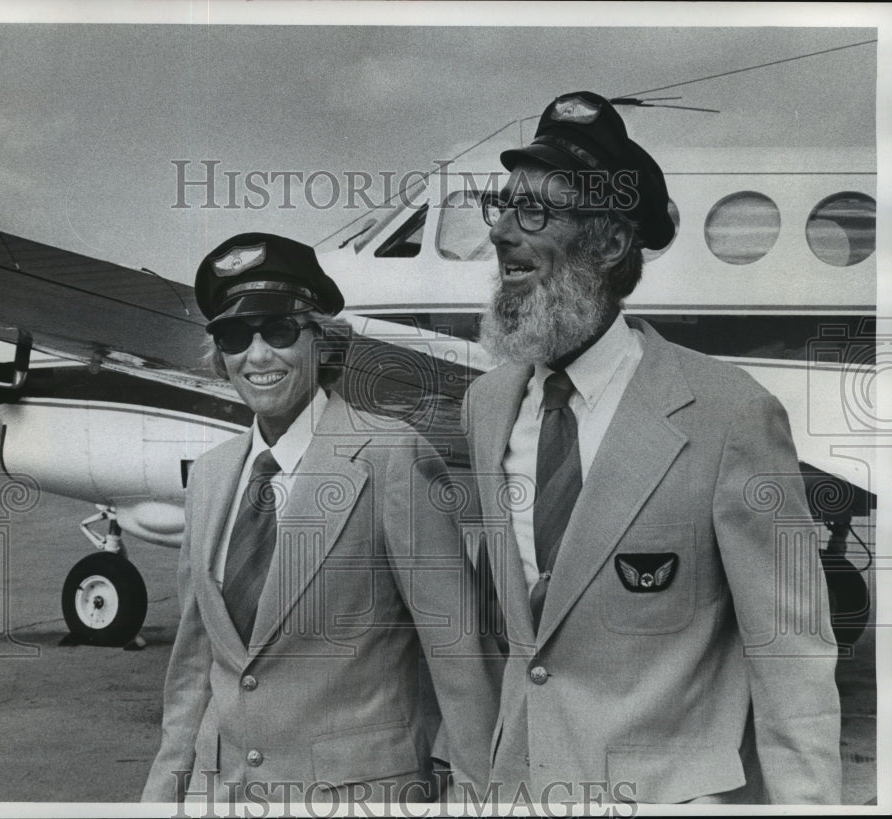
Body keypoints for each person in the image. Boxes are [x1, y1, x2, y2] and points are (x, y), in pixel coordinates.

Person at [463, 91, 842, 805]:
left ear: (609, 245)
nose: (504, 233)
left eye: (535, 211)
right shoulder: (486, 405)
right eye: (502, 206)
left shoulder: (732, 415)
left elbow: (792, 661)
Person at [142, 232, 499, 806]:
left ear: (322, 341)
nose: (257, 356)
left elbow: (458, 656)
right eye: (235, 336)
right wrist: (162, 795)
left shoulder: (391, 457)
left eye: (279, 331)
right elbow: (194, 667)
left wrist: (480, 799)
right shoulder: (210, 478)